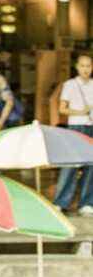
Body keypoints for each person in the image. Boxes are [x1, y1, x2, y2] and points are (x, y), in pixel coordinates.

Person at [55, 54, 93, 216]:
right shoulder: (70, 85)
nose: (86, 69)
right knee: (71, 164)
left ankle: (87, 203)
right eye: (82, 66)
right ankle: (61, 201)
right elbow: (62, 109)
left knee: (90, 166)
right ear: (77, 67)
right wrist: (80, 111)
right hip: (76, 126)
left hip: (91, 126)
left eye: (89, 66)